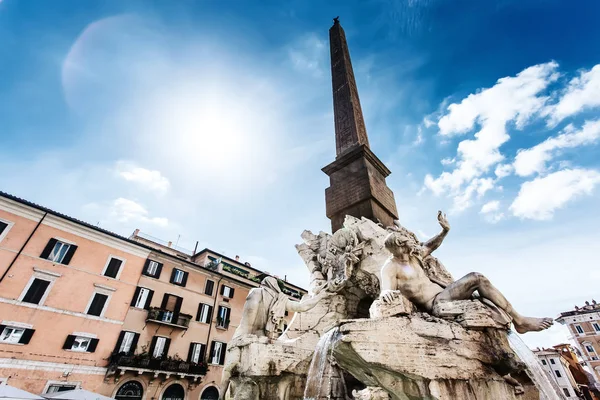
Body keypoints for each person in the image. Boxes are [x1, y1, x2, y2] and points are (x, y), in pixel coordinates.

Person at [379, 211, 553, 334]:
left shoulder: (413, 257)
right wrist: (385, 293)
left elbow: (430, 246)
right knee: (476, 277)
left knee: (479, 279)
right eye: (407, 241)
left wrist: (444, 231)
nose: (412, 242)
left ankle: (519, 320)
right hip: (436, 304)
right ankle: (520, 321)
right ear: (399, 246)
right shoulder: (390, 267)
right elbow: (386, 288)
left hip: (445, 293)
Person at [219, 276, 333, 400]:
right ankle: (221, 395)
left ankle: (221, 395)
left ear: (263, 284)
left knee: (229, 368)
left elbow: (248, 319)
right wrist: (321, 295)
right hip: (258, 336)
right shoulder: (278, 299)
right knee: (231, 367)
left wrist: (248, 339)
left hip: (246, 334)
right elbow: (302, 307)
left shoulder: (258, 293)